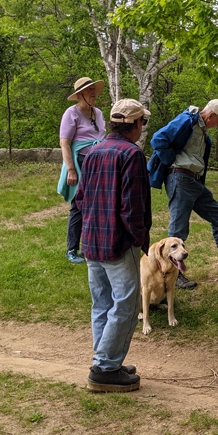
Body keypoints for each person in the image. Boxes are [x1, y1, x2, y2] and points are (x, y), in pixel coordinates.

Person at [75, 98, 152, 393]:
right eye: (141, 123)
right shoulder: (132, 155)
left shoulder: (93, 152)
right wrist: (140, 238)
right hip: (119, 243)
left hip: (92, 238)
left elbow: (80, 198)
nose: (141, 129)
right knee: (126, 304)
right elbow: (132, 207)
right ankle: (105, 368)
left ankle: (105, 360)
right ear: (134, 125)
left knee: (102, 304)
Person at [147, 99, 218, 290]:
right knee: (178, 230)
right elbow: (157, 139)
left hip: (194, 181)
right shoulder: (187, 120)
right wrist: (171, 160)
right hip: (180, 178)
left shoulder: (203, 132)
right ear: (211, 115)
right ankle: (173, 275)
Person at [58, 77, 107, 264]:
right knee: (78, 206)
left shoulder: (99, 113)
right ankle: (72, 249)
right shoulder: (71, 114)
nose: (93, 93)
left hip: (99, 163)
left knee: (97, 205)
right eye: (89, 90)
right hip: (80, 162)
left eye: (94, 89)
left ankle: (91, 246)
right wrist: (71, 169)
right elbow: (65, 143)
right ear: (80, 94)